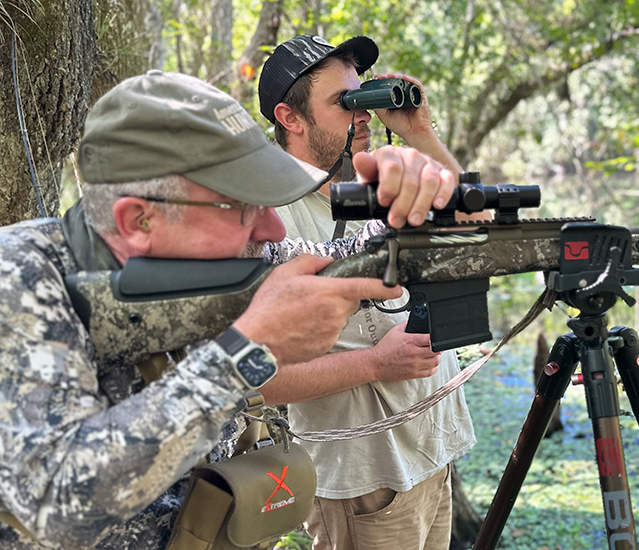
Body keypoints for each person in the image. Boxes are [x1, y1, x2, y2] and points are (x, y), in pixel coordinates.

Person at [0, 70, 456, 550]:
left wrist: (416, 206)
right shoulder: (20, 279)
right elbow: (55, 503)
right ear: (139, 220)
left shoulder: (228, 257)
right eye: (242, 206)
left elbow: (352, 260)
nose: (273, 230)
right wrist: (246, 352)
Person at [255, 35, 478, 550]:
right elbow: (252, 376)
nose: (362, 116)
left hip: (431, 455)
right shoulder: (268, 215)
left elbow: (480, 230)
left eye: (364, 99)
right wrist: (375, 365)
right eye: (343, 103)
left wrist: (419, 132)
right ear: (291, 118)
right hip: (366, 482)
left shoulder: (384, 181)